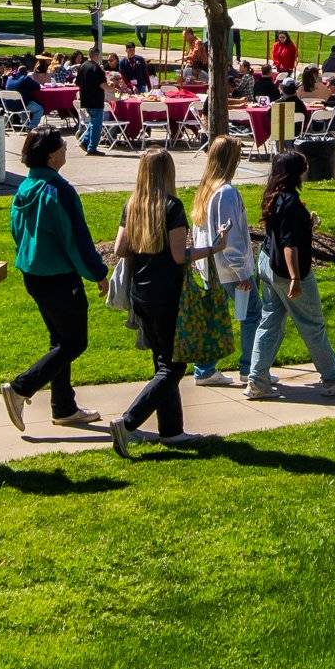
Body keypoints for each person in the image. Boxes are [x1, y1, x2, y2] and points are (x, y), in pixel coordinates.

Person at [0, 130, 108, 432]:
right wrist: (98, 273)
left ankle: (64, 407)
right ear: (51, 155)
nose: (66, 149)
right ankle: (21, 388)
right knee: (74, 342)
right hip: (58, 276)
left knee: (60, 341)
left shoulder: (26, 186)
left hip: (33, 273)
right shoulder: (58, 190)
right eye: (62, 146)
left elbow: (16, 230)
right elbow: (77, 238)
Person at [107, 149, 210, 455]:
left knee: (162, 363)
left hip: (141, 294)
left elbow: (119, 248)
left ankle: (171, 431)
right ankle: (128, 422)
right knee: (174, 367)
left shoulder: (133, 205)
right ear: (168, 172)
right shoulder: (172, 206)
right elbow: (180, 256)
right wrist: (213, 248)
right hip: (167, 294)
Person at [244, 150, 335, 400]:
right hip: (287, 272)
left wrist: (306, 226)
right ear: (296, 173)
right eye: (304, 167)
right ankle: (333, 378)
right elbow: (289, 245)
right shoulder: (292, 203)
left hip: (266, 263)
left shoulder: (273, 195)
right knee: (312, 324)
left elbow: (282, 232)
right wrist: (295, 279)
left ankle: (257, 380)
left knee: (270, 322)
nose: (307, 170)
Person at [187, 134, 257, 385]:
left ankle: (204, 370)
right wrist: (242, 272)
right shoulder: (226, 192)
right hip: (228, 268)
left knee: (213, 317)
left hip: (210, 266)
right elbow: (231, 236)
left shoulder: (206, 189)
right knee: (251, 315)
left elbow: (199, 232)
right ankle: (250, 369)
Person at [75, 52, 110, 156]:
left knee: (92, 123)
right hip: (96, 100)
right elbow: (103, 85)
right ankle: (92, 148)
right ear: (97, 56)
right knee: (96, 125)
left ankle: (85, 142)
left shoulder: (83, 66)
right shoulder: (97, 68)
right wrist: (114, 89)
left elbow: (77, 83)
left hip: (85, 99)